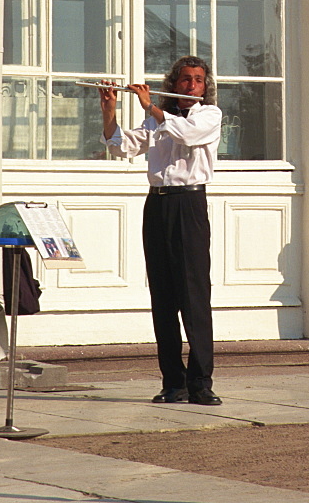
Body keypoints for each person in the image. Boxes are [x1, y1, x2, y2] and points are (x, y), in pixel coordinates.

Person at [99, 56, 222, 405]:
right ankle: (174, 382)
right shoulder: (154, 120)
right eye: (185, 79)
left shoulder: (209, 115)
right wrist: (110, 111)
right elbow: (121, 146)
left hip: (190, 205)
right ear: (175, 82)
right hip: (158, 204)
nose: (192, 86)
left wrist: (151, 105)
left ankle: (201, 383)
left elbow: (186, 133)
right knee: (163, 297)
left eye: (198, 80)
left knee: (194, 295)